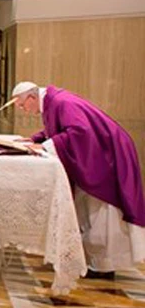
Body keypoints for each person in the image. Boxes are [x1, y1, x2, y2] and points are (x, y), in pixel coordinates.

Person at [13, 81, 145, 280]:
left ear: (31, 97)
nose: (24, 110)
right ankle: (96, 262)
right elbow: (58, 129)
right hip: (98, 153)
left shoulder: (61, 102)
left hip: (106, 156)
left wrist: (47, 145)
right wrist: (35, 139)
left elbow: (79, 131)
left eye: (22, 105)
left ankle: (104, 266)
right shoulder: (52, 102)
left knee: (101, 212)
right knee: (89, 211)